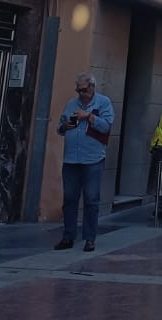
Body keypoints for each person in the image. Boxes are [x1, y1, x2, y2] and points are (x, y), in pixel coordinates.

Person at [55, 73, 115, 251]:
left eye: (84, 90)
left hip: (93, 158)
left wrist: (88, 116)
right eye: (78, 90)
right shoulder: (71, 104)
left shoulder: (104, 102)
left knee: (91, 199)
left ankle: (90, 239)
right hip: (71, 159)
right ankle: (68, 237)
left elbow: (106, 126)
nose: (81, 93)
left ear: (92, 87)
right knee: (70, 199)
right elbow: (60, 128)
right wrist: (65, 125)